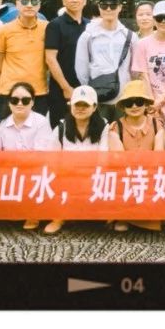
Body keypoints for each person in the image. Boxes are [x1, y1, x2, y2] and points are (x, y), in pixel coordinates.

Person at [41, 84, 119, 235]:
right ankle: (58, 219)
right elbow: (51, 158)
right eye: (77, 104)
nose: (80, 109)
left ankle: (106, 214)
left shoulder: (103, 126)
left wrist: (91, 174)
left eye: (85, 105)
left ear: (94, 107)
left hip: (94, 175)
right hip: (67, 176)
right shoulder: (61, 128)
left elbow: (103, 156)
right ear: (70, 105)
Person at [0, 80, 55, 231]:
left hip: (33, 170)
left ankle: (33, 213)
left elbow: (41, 155)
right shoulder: (0, 124)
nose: (20, 104)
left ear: (32, 102)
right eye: (14, 100)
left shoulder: (41, 122)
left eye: (25, 100)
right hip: (8, 170)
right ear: (9, 103)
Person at [108, 79, 165, 232]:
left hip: (151, 174)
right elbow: (119, 162)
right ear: (123, 107)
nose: (134, 106)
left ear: (145, 104)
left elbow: (159, 156)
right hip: (126, 176)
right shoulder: (116, 128)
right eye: (129, 103)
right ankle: (123, 216)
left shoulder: (157, 124)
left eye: (139, 102)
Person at [75, 0, 140, 122]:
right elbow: (81, 70)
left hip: (123, 100)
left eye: (113, 5)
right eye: (104, 5)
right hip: (98, 98)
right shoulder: (88, 36)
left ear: (120, 7)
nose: (108, 9)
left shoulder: (130, 36)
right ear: (99, 7)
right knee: (99, 133)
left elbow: (135, 70)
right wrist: (92, 92)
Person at [0, 0, 50, 117]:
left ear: (39, 5)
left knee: (37, 128)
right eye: (24, 1)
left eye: (34, 2)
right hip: (9, 91)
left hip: (38, 91)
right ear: (17, 4)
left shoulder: (48, 28)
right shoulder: (4, 30)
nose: (29, 5)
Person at [45, 0, 89, 127]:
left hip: (86, 90)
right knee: (61, 130)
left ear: (85, 1)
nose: (74, 0)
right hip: (61, 91)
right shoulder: (55, 25)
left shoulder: (90, 26)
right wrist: (66, 88)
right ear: (63, 1)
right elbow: (50, 59)